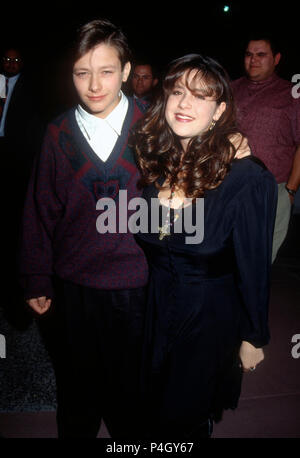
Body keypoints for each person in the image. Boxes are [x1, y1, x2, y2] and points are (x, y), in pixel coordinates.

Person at [132, 54, 277, 438]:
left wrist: (254, 335)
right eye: (178, 92)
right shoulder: (154, 163)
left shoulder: (246, 178)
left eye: (200, 96)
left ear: (220, 110)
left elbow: (255, 266)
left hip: (208, 324)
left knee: (185, 421)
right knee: (151, 414)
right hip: (155, 317)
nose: (184, 104)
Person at [19, 19, 149, 438]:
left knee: (135, 397)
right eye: (81, 72)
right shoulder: (58, 133)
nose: (94, 84)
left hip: (141, 286)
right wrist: (35, 274)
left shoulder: (157, 126)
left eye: (107, 71)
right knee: (77, 395)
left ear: (126, 71)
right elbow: (40, 208)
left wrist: (234, 146)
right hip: (76, 286)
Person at [231, 36, 300, 263]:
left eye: (261, 55)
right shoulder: (231, 89)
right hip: (228, 185)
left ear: (276, 59)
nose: (253, 60)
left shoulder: (292, 94)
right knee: (227, 259)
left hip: (273, 189)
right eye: (249, 54)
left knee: (258, 263)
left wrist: (290, 190)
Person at [1, 46, 45, 328]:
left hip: (14, 160)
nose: (11, 63)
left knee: (13, 223)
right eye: (7, 59)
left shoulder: (30, 89)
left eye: (16, 60)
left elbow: (33, 129)